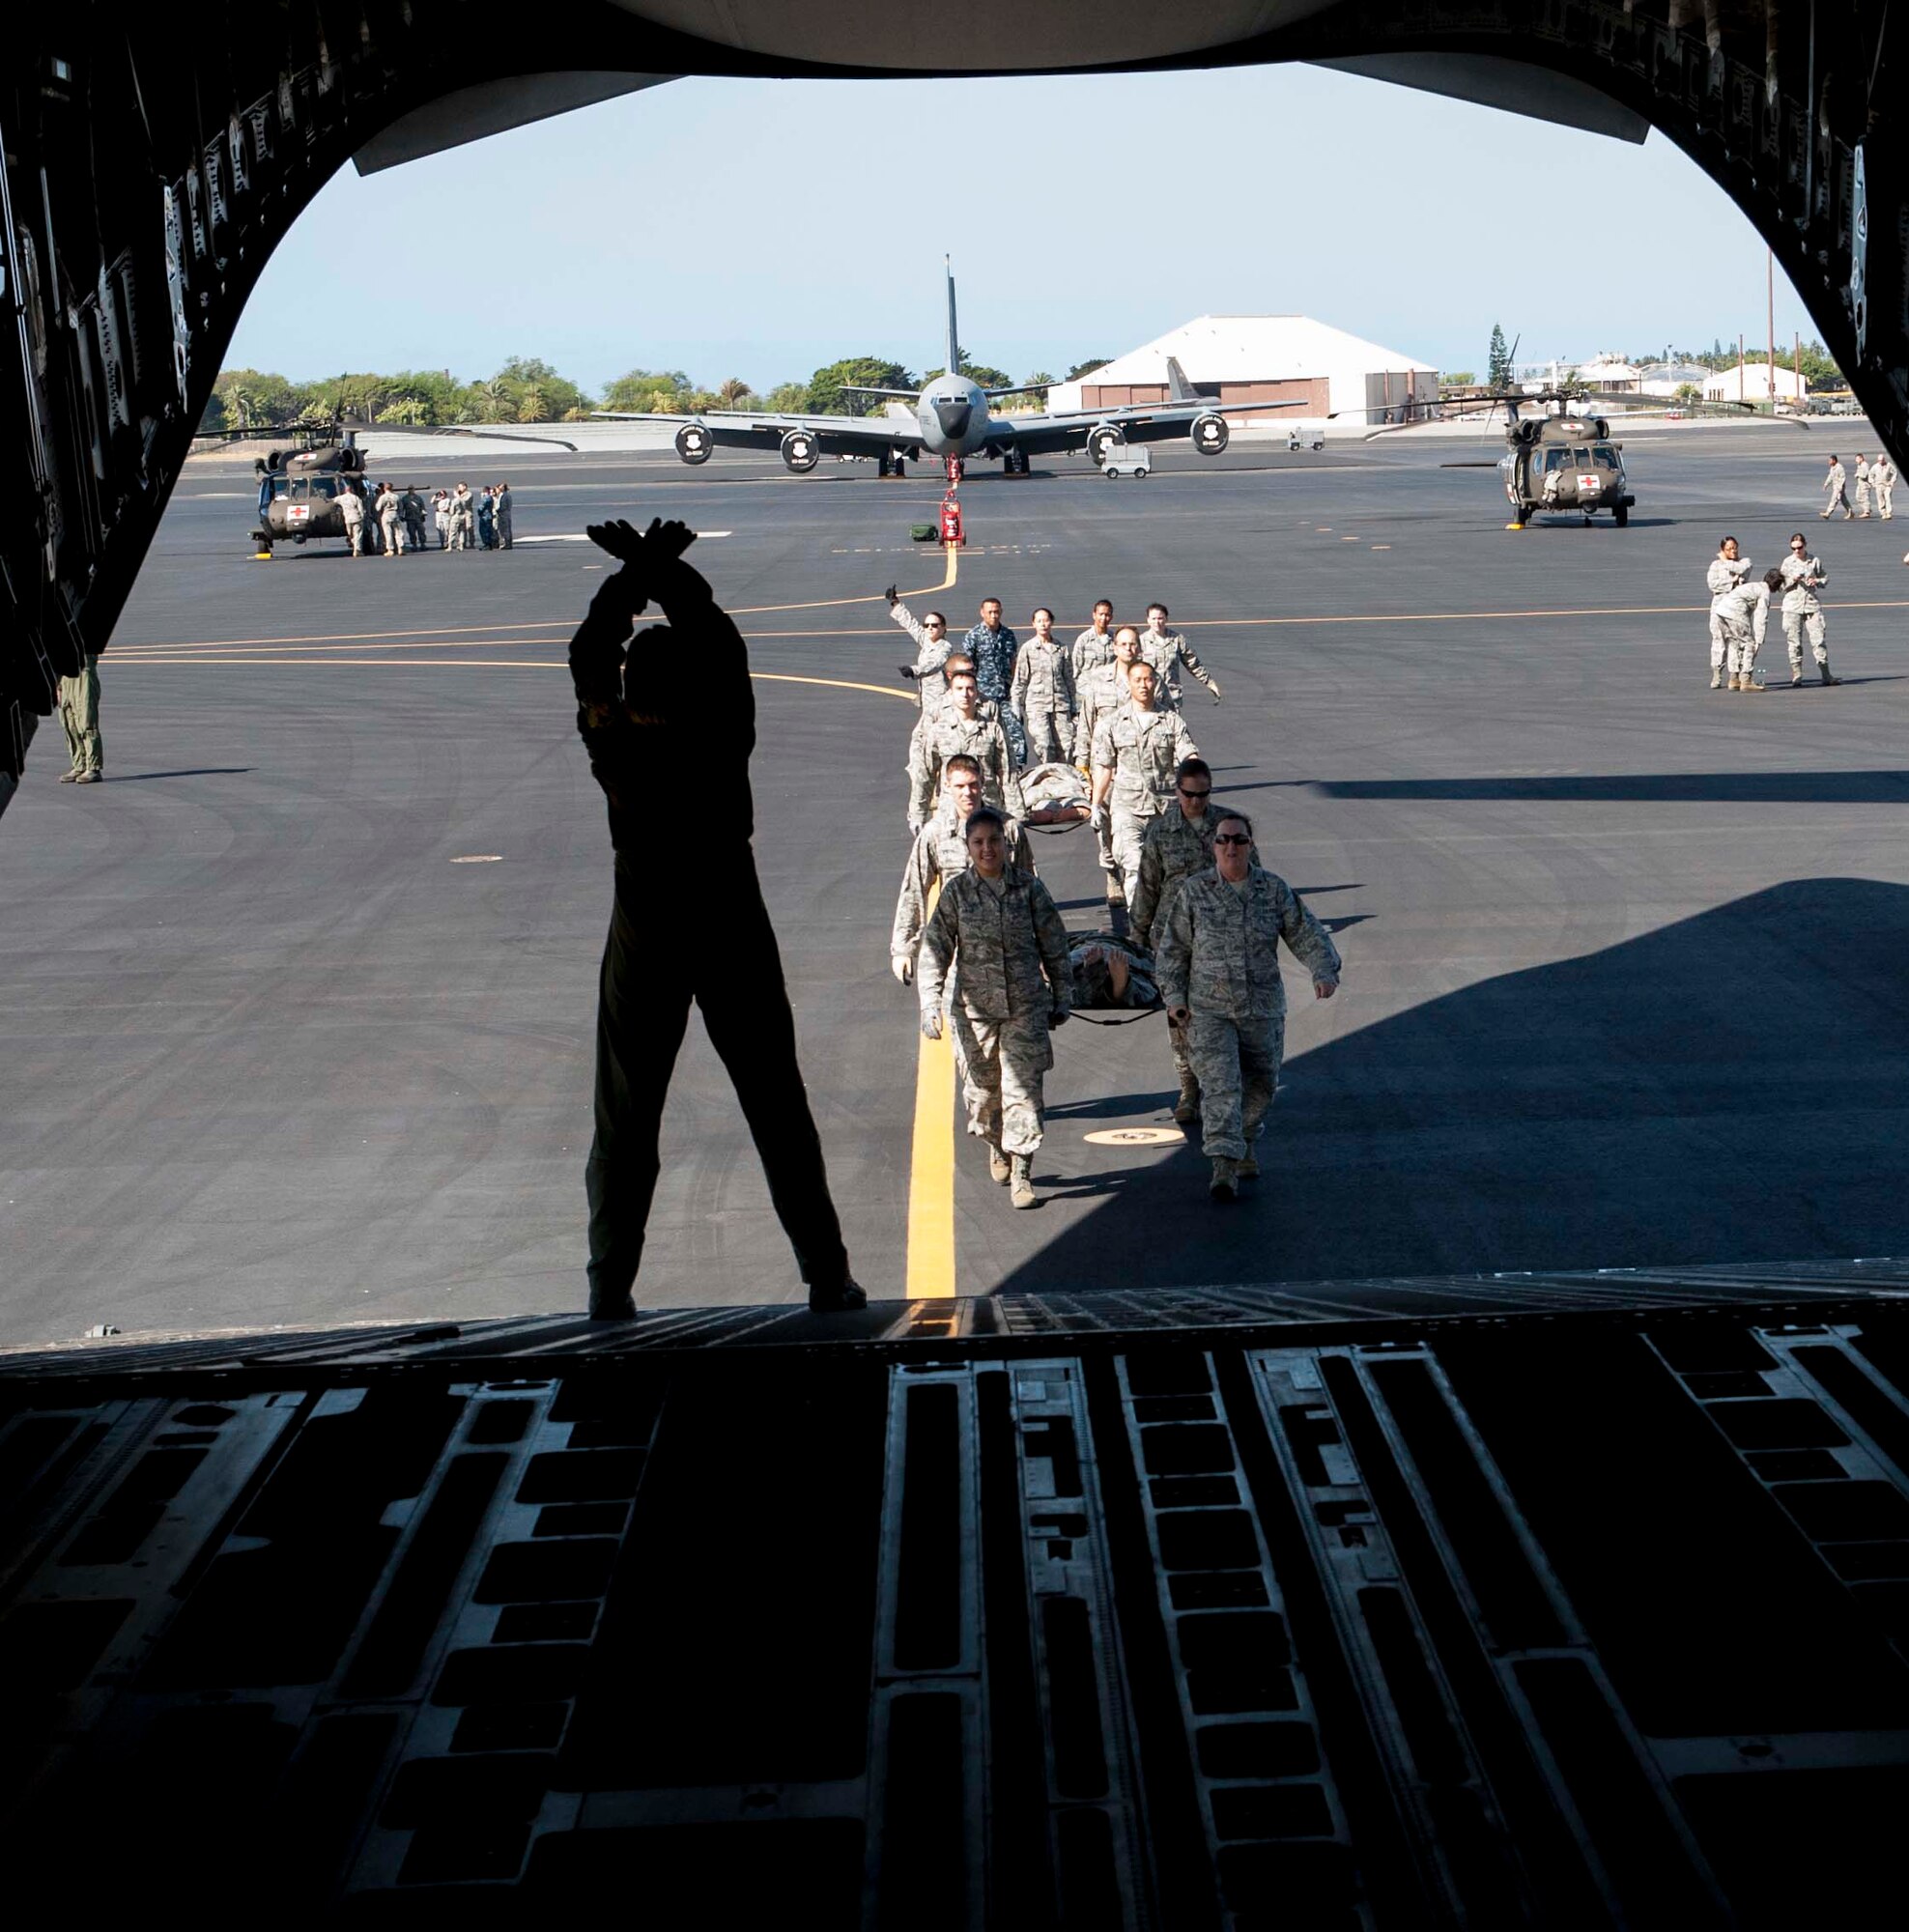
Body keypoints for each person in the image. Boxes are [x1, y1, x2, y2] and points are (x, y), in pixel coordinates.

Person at [568, 514, 865, 1317]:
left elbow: (588, 653)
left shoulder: (614, 737)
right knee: (776, 1102)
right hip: (729, 911)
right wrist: (663, 569)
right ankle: (826, 1274)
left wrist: (634, 574)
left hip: (647, 920)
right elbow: (723, 642)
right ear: (694, 684)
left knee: (625, 1115)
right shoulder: (720, 731)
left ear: (631, 689)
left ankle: (608, 1286)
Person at [1158, 810, 1341, 1201]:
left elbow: (1306, 931)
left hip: (1262, 1008)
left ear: (1250, 845)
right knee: (1222, 1085)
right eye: (1223, 840)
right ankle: (1223, 1164)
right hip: (1209, 1010)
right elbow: (1172, 950)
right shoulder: (1194, 891)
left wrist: (1323, 970)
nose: (1230, 847)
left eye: (1239, 840)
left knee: (1261, 1086)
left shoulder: (1273, 891)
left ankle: (1244, 1141)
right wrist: (1174, 998)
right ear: (1213, 846)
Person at [917, 807, 1072, 1210]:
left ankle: (1022, 1169)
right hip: (975, 1013)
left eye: (994, 841)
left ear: (1006, 844)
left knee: (1023, 1091)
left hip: (1025, 1006)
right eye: (979, 842)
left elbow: (1054, 943)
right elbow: (935, 950)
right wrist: (929, 1002)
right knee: (983, 1097)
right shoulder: (956, 893)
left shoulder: (1029, 890)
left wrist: (1062, 994)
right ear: (968, 847)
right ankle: (995, 1142)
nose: (988, 849)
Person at [1130, 757, 1258, 1121]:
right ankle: (1189, 1090)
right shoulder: (1161, 832)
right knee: (1180, 1018)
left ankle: (1222, 1086)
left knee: (1223, 1017)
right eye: (1189, 795)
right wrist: (1136, 937)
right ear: (1177, 792)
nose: (1197, 802)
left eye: (1203, 795)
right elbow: (1147, 886)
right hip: (1174, 942)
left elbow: (1256, 878)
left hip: (1221, 943)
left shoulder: (1229, 828)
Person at [891, 754, 1038, 983]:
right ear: (947, 787)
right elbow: (914, 888)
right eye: (959, 786)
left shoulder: (1008, 829)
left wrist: (1042, 945)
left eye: (972, 785)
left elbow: (1032, 888)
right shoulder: (935, 834)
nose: (967, 793)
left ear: (982, 783)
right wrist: (904, 948)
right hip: (958, 947)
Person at [1091, 656, 1198, 905]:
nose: (1143, 685)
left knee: (1172, 873)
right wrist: (1096, 804)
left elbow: (1188, 756)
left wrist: (1194, 783)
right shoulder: (1112, 723)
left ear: (1156, 683)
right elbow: (1105, 767)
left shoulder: (1171, 721)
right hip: (1127, 808)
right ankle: (1138, 925)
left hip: (1166, 810)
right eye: (1137, 680)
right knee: (1135, 866)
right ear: (1129, 684)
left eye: (1148, 679)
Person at [909, 667, 1022, 832]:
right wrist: (917, 814)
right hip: (950, 813)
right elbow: (925, 775)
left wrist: (1016, 815)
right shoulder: (938, 731)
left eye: (970, 689)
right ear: (951, 693)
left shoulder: (992, 730)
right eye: (959, 689)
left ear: (977, 693)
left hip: (988, 809)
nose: (965, 694)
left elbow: (1008, 773)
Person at [1073, 625, 1147, 878]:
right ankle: (1110, 868)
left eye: (1133, 644)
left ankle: (1129, 874)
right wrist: (1081, 764)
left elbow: (1165, 716)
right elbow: (1086, 723)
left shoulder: (1148, 679)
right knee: (1102, 821)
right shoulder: (1098, 680)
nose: (1129, 648)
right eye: (1124, 644)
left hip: (1137, 769)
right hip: (1103, 767)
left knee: (1131, 825)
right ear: (1114, 648)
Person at [1010, 608, 1077, 764]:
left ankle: (1065, 781)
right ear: (1033, 624)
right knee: (1045, 745)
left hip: (1060, 706)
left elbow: (1069, 680)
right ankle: (1047, 778)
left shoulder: (1061, 649)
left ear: (1051, 622)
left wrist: (1074, 707)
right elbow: (1020, 680)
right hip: (1037, 706)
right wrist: (1015, 704)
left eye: (1046, 620)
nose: (1043, 624)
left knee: (1066, 746)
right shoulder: (1028, 649)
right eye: (1039, 621)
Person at [961, 597, 1024, 764]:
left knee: (1015, 732)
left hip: (1005, 696)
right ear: (982, 613)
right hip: (984, 697)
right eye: (990, 612)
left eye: (996, 612)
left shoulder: (1008, 635)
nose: (993, 615)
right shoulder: (973, 636)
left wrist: (1015, 691)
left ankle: (1017, 769)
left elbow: (1013, 663)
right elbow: (967, 667)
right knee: (982, 734)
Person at [1778, 532, 1839, 685]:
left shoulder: (1814, 560)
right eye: (1793, 548)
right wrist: (1792, 579)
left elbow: (1825, 578)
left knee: (1818, 640)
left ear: (1805, 545)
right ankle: (1797, 674)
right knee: (1794, 642)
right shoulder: (1787, 562)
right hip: (1792, 605)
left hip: (1811, 605)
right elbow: (1779, 585)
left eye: (1799, 547)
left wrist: (1816, 581)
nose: (1797, 551)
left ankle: (1826, 674)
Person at [1140, 602, 1222, 709]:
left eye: (1160, 618)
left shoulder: (1177, 639)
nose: (1157, 622)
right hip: (1150, 696)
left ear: (1166, 619)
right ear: (1148, 620)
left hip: (1172, 697)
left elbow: (1193, 663)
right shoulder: (1140, 641)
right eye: (1153, 619)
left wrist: (1210, 683)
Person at [1705, 536, 1752, 689]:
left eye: (1735, 547)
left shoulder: (1744, 562)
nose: (1733, 551)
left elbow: (1742, 570)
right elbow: (1713, 584)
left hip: (1737, 609)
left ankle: (1734, 676)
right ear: (1722, 550)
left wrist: (1725, 561)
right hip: (1719, 607)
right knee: (1719, 641)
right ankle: (1717, 673)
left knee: (1736, 642)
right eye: (1729, 549)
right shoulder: (1715, 565)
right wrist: (1732, 582)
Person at [57, 650, 103, 784]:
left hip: (82, 671)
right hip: (64, 675)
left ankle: (93, 767)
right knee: (68, 721)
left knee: (86, 721)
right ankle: (79, 765)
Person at [1071, 599, 1118, 689]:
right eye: (1101, 614)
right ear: (1094, 615)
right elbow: (1076, 668)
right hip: (1087, 689)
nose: (1103, 618)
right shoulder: (1084, 639)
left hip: (1109, 689)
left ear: (1111, 617)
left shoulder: (1115, 639)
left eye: (1107, 615)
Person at [338, 480, 366, 557]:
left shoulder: (341, 498)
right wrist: (362, 517)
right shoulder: (356, 498)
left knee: (351, 535)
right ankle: (357, 550)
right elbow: (361, 509)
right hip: (356, 518)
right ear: (352, 490)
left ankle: (354, 545)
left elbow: (333, 500)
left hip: (348, 519)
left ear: (345, 490)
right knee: (358, 534)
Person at [1820, 454, 1852, 520]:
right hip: (1835, 486)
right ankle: (1850, 512)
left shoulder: (1839, 468)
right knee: (1844, 500)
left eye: (1830, 460)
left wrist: (1840, 488)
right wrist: (1826, 484)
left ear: (1834, 460)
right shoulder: (1832, 468)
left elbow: (1843, 478)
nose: (1829, 462)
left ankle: (1828, 513)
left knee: (1834, 499)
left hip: (1839, 487)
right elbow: (1830, 476)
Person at [376, 482, 402, 558]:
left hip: (386, 515)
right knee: (398, 532)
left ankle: (390, 549)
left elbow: (378, 508)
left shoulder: (382, 497)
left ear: (384, 488)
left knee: (388, 533)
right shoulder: (396, 496)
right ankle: (400, 547)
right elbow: (401, 507)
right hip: (395, 514)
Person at [401, 486, 428, 554]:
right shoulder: (405, 499)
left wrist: (423, 515)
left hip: (418, 517)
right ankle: (414, 544)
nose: (411, 490)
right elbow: (402, 508)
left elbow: (422, 507)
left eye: (412, 489)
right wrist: (402, 517)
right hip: (410, 518)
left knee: (421, 531)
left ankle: (422, 544)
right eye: (410, 489)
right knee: (411, 532)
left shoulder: (418, 498)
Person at [449, 482, 475, 550]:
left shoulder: (469, 494)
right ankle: (462, 543)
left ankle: (472, 543)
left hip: (467, 512)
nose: (459, 489)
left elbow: (464, 502)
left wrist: (458, 496)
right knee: (461, 529)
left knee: (469, 527)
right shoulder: (460, 494)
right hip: (461, 513)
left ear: (465, 487)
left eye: (460, 487)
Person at [1875, 454, 1897, 520]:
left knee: (1888, 499)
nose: (1880, 462)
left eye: (1882, 460)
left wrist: (1892, 481)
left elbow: (1895, 473)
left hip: (1887, 484)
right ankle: (1883, 513)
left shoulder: (1889, 465)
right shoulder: (1875, 466)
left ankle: (1888, 513)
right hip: (1879, 485)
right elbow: (1871, 475)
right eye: (1879, 460)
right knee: (1880, 500)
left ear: (1884, 460)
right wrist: (1873, 483)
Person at [495, 482, 514, 550]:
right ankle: (508, 543)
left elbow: (503, 506)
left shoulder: (504, 495)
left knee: (505, 529)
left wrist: (497, 510)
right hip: (506, 514)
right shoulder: (507, 495)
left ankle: (508, 544)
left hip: (504, 514)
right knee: (506, 529)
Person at [476, 486, 497, 551]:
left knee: (484, 531)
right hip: (488, 516)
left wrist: (479, 512)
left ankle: (487, 544)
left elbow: (481, 507)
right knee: (488, 530)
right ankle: (489, 544)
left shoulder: (486, 498)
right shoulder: (490, 498)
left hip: (485, 516)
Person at [1853, 454, 1873, 518]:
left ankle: (1867, 512)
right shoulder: (1859, 465)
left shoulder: (1865, 465)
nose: (1856, 461)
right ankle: (1867, 509)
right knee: (1858, 497)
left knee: (1865, 498)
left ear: (1861, 458)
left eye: (1857, 459)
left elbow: (1864, 475)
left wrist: (1858, 475)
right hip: (1860, 484)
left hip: (1865, 484)